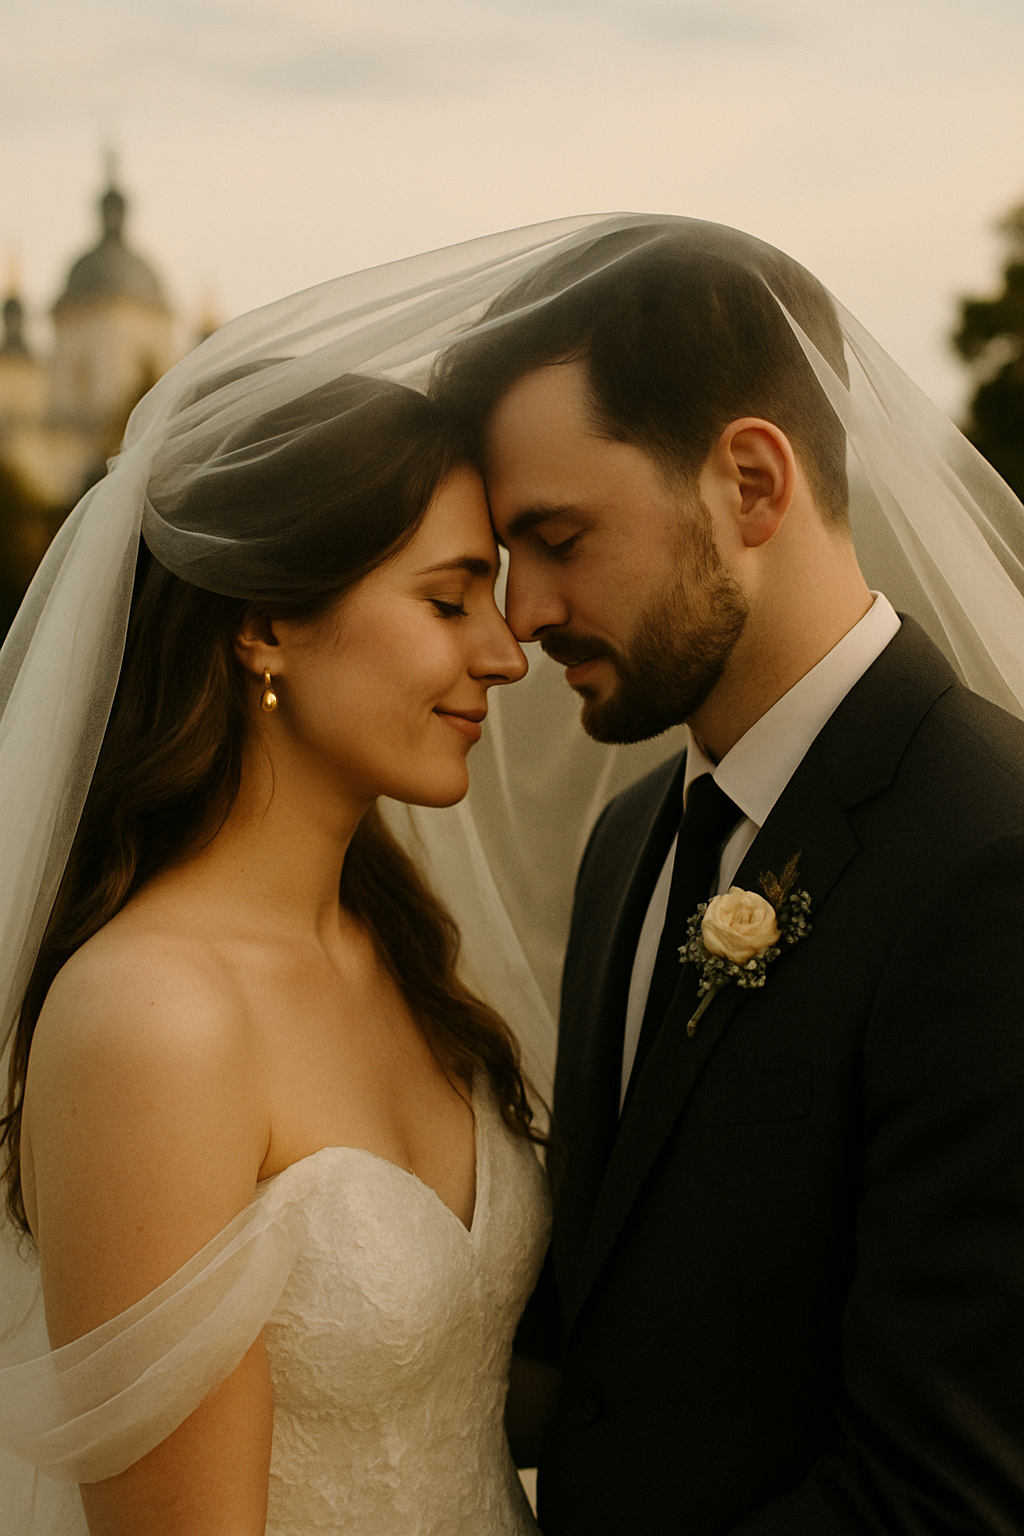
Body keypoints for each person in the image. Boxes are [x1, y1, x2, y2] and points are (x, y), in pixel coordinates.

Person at [432, 225, 1024, 1533]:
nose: (520, 616)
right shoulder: (631, 841)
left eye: (558, 534)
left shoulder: (993, 863)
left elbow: (951, 1493)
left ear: (751, 483)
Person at [0, 368, 552, 1535]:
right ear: (263, 628)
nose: (507, 654)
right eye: (450, 603)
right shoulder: (150, 1019)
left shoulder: (399, 952)